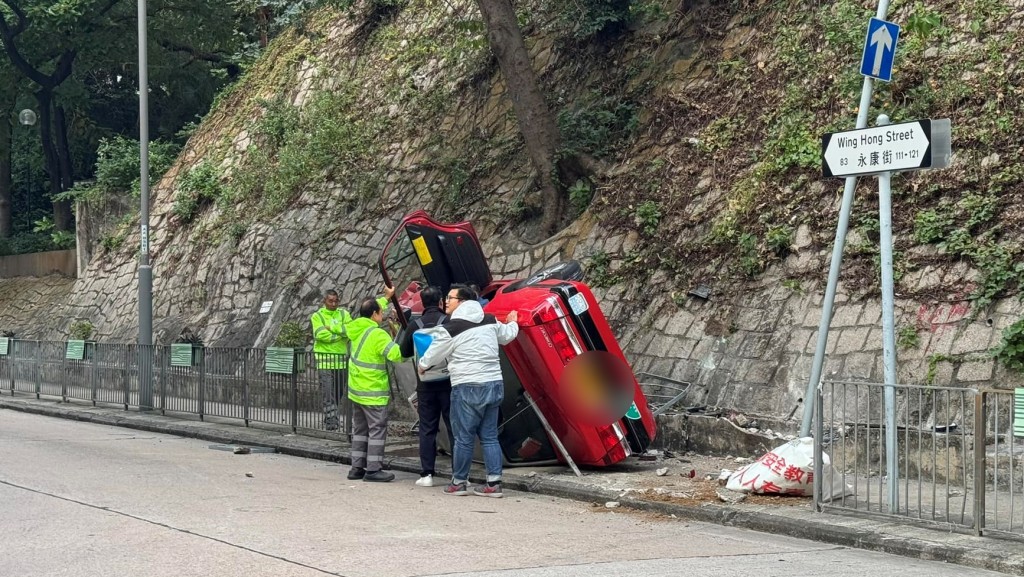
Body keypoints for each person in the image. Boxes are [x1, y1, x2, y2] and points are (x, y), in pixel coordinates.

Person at [418, 284, 519, 498]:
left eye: (451, 297)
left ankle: (459, 482)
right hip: (494, 383)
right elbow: (508, 335)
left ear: (462, 302)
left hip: (467, 385)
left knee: (464, 437)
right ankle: (493, 484)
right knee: (490, 436)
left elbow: (433, 354)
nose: (446, 301)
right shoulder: (490, 320)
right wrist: (514, 322)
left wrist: (423, 364)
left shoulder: (451, 328)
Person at [311, 287, 394, 432]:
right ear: (324, 301)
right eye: (330, 301)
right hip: (324, 362)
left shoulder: (343, 314)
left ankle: (332, 415)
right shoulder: (317, 316)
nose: (333, 304)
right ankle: (331, 421)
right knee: (328, 393)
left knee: (337, 393)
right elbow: (320, 335)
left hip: (341, 362)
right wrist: (341, 336)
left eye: (336, 301)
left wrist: (339, 334)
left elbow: (357, 322)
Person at [398, 285, 453, 487]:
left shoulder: (415, 325)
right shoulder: (447, 322)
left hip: (425, 384)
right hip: (448, 382)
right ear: (440, 302)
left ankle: (427, 474)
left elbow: (404, 353)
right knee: (453, 425)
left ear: (422, 302)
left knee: (427, 428)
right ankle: (458, 472)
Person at [345, 296, 403, 482]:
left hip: (356, 390)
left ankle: (356, 468)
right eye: (380, 312)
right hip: (373, 392)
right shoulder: (378, 334)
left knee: (360, 431)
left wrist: (385, 298)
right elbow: (396, 355)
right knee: (377, 431)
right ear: (374, 315)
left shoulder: (355, 329)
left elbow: (371, 307)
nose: (382, 314)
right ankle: (373, 470)